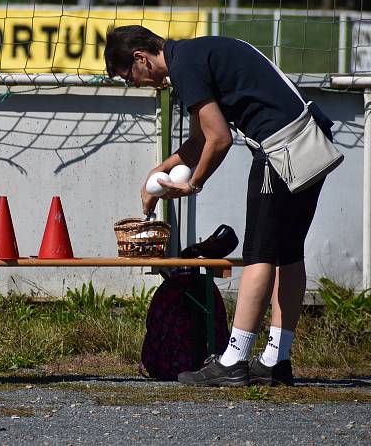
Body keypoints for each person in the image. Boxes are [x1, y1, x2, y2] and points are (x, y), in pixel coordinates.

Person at [104, 25, 335, 386]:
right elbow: (200, 139)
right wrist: (159, 172)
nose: (136, 84)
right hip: (309, 140)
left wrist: (194, 184)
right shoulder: (196, 54)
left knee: (260, 255)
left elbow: (219, 138)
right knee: (289, 255)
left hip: (279, 149)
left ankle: (234, 359)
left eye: (129, 77)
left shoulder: (184, 67)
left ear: (141, 59)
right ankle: (276, 358)